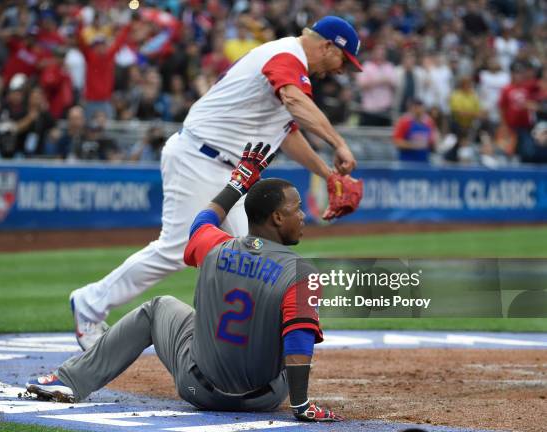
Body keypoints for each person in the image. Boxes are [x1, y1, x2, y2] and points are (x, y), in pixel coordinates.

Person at [70, 15, 362, 351]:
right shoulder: (287, 56)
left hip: (228, 170)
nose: (341, 70)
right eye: (343, 59)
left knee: (248, 253)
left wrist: (327, 174)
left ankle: (240, 345)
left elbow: (287, 135)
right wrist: (339, 143)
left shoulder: (292, 74)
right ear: (328, 45)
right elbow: (296, 103)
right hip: (199, 157)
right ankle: (89, 303)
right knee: (181, 248)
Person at [27, 144, 343, 422]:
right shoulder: (303, 272)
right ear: (276, 218)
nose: (302, 215)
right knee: (286, 322)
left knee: (157, 308)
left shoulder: (214, 246)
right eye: (295, 209)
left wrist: (238, 182)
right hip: (264, 399)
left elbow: (201, 222)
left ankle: (68, 380)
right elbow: (299, 347)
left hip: (197, 389)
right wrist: (301, 406)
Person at [392, 98, 438, 163]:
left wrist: (434, 143)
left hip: (424, 163)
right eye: (415, 108)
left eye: (420, 107)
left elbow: (432, 142)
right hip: (406, 163)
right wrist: (414, 145)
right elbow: (397, 142)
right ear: (411, 108)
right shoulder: (404, 122)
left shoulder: (429, 122)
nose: (418, 110)